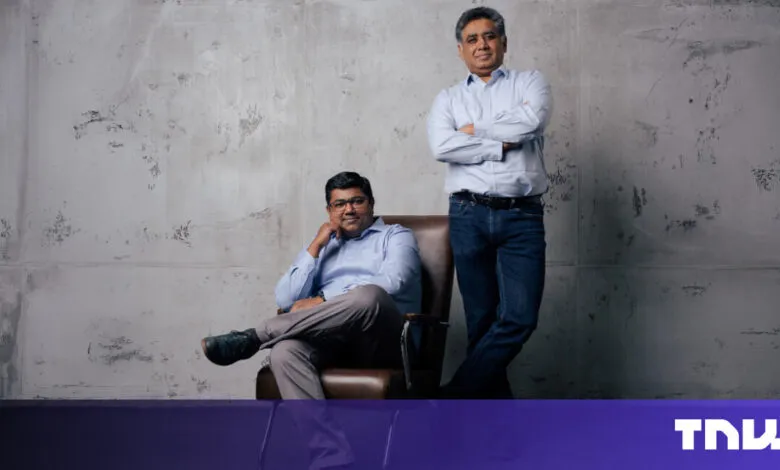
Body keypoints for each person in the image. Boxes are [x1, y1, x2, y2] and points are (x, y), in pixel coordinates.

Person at [200, 171, 422, 469]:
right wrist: (315, 246)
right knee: (284, 352)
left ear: (370, 203)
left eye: (357, 201)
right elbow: (285, 299)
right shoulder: (325, 244)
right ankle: (331, 455)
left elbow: (394, 282)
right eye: (340, 204)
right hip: (333, 340)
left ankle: (257, 335)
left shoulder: (396, 236)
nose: (349, 209)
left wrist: (324, 300)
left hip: (382, 340)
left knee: (368, 295)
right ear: (330, 211)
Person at [426, 6, 553, 399]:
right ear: (461, 50)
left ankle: (454, 396)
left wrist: (476, 132)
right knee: (481, 322)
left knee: (519, 318)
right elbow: (442, 145)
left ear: (503, 43)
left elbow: (532, 123)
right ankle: (492, 429)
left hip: (523, 216)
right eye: (472, 39)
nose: (482, 45)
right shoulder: (447, 99)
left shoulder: (530, 82)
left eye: (489, 36)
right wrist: (500, 142)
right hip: (468, 215)